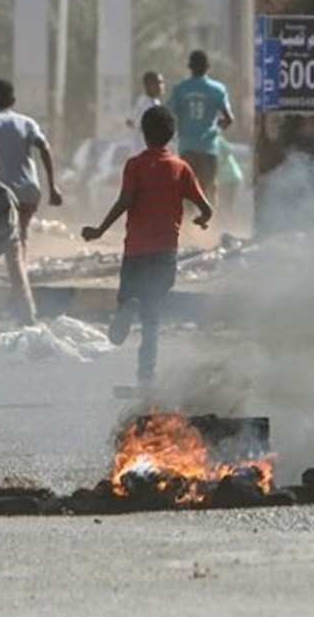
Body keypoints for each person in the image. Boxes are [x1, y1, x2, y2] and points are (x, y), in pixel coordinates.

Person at [81, 106, 213, 388]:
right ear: (172, 135)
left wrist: (100, 230)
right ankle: (146, 377)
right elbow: (206, 208)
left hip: (136, 251)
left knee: (129, 297)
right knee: (152, 318)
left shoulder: (135, 166)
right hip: (165, 252)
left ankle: (127, 306)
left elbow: (124, 201)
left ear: (143, 133)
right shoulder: (181, 168)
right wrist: (202, 219)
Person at [0, 79, 63, 325]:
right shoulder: (26, 123)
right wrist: (52, 186)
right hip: (29, 192)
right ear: (13, 100)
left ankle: (25, 310)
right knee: (19, 242)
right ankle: (18, 302)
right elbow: (44, 148)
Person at [169, 50, 233, 205]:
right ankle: (208, 223)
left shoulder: (180, 88)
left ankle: (188, 224)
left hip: (187, 146)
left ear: (189, 67)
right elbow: (229, 118)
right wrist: (217, 129)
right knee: (208, 187)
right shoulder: (218, 89)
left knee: (187, 188)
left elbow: (170, 114)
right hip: (209, 147)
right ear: (208, 67)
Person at [128, 71, 165, 154]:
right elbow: (130, 121)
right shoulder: (142, 102)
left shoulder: (157, 102)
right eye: (158, 83)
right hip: (143, 149)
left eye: (162, 83)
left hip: (154, 148)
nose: (161, 86)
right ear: (149, 85)